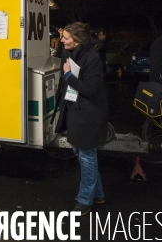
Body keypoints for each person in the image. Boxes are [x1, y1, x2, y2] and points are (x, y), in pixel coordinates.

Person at [54, 22, 108, 216]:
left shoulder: (93, 58)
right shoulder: (69, 53)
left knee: (87, 156)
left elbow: (89, 90)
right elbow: (69, 83)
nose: (62, 40)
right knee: (80, 152)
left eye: (65, 38)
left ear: (77, 42)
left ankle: (85, 200)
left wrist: (68, 75)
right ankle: (98, 194)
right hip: (75, 110)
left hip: (89, 114)